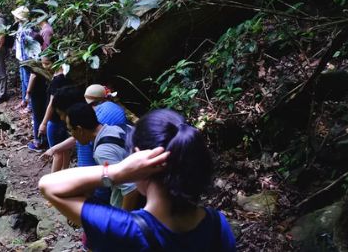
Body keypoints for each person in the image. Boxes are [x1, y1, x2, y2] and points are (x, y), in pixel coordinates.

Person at [39, 109, 237, 252]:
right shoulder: (218, 225)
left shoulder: (124, 230)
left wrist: (118, 172)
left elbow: (49, 185)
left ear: (138, 160)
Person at [64, 102, 139, 210]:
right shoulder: (119, 128)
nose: (72, 135)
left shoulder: (102, 152)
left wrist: (124, 221)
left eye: (71, 130)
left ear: (79, 130)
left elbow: (131, 189)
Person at [37, 55, 73, 172]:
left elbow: (51, 104)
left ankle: (53, 180)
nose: (44, 66)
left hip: (55, 120)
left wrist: (43, 123)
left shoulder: (56, 81)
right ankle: (64, 174)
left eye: (47, 63)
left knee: (56, 152)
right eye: (43, 63)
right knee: (65, 149)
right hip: (63, 118)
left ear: (56, 62)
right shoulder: (66, 76)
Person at [12, 5, 40, 111]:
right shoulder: (20, 26)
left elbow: (28, 47)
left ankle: (30, 105)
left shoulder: (27, 29)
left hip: (27, 60)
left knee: (28, 82)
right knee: (23, 80)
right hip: (22, 59)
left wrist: (27, 60)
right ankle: (24, 101)